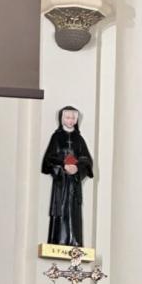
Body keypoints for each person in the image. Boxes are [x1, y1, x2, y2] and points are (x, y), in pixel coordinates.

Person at [41, 105, 94, 247]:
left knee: (73, 212)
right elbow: (48, 160)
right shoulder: (56, 137)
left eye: (73, 118)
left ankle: (74, 242)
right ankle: (58, 241)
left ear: (76, 120)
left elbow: (87, 161)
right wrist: (62, 166)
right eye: (68, 117)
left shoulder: (79, 139)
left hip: (74, 184)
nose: (70, 121)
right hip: (61, 182)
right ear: (62, 118)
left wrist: (77, 169)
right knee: (60, 211)